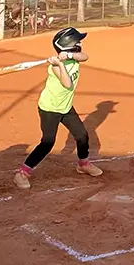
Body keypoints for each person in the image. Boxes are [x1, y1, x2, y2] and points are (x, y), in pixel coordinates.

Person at [14, 27, 104, 189]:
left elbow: (85, 56)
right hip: (50, 108)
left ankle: (83, 164)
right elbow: (67, 83)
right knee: (48, 142)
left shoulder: (74, 57)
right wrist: (59, 64)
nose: (80, 43)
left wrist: (68, 56)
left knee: (82, 136)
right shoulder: (54, 67)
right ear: (69, 44)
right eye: (77, 41)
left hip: (66, 106)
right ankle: (22, 174)